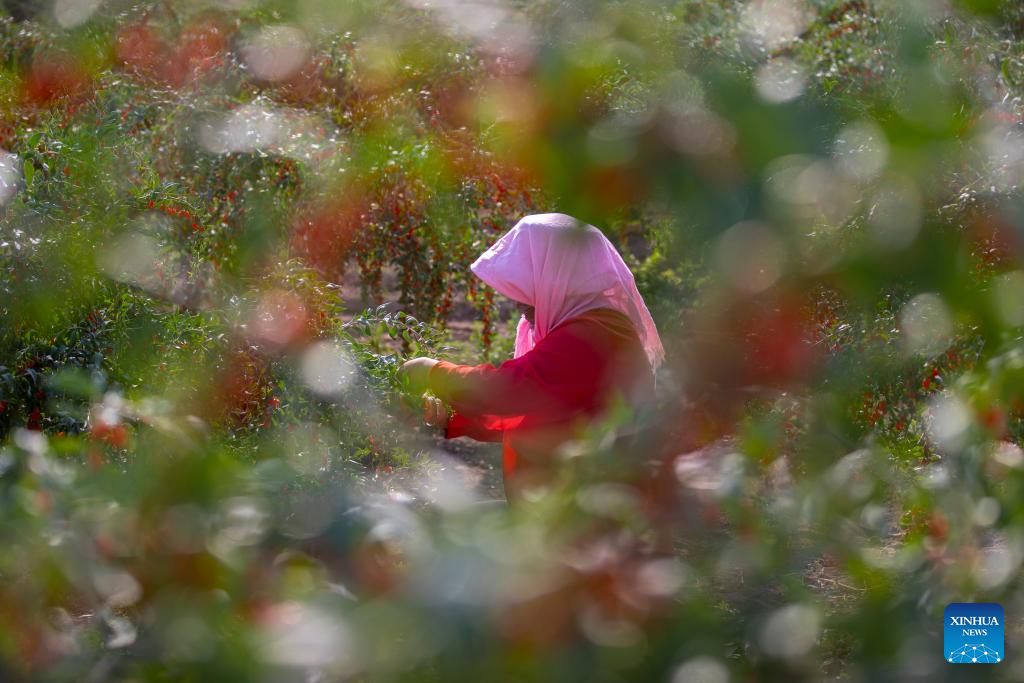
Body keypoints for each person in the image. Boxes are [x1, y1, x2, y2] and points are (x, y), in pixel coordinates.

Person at [399, 213, 664, 500]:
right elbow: (538, 413)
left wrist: (434, 371)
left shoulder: (589, 335)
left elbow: (514, 389)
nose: (518, 303)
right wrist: (452, 416)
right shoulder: (595, 325)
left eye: (527, 286)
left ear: (557, 276)